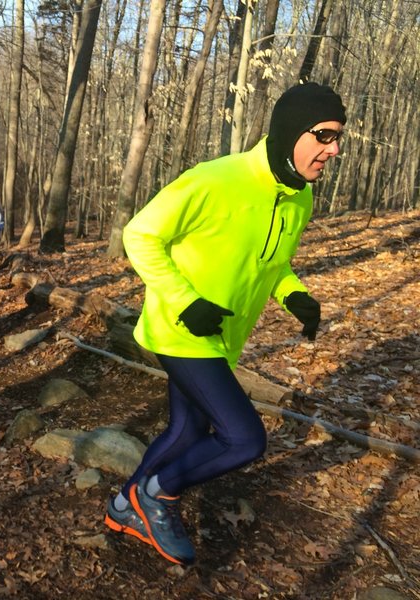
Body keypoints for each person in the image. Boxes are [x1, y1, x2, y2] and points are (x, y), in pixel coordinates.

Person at [105, 82, 346, 566]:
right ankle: (157, 494)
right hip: (181, 329)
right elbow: (141, 234)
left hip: (221, 339)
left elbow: (273, 262)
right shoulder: (217, 179)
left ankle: (121, 508)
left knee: (187, 432)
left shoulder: (299, 198)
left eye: (338, 138)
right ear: (290, 131)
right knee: (244, 438)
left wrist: (294, 294)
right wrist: (186, 300)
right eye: (323, 135)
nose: (333, 149)